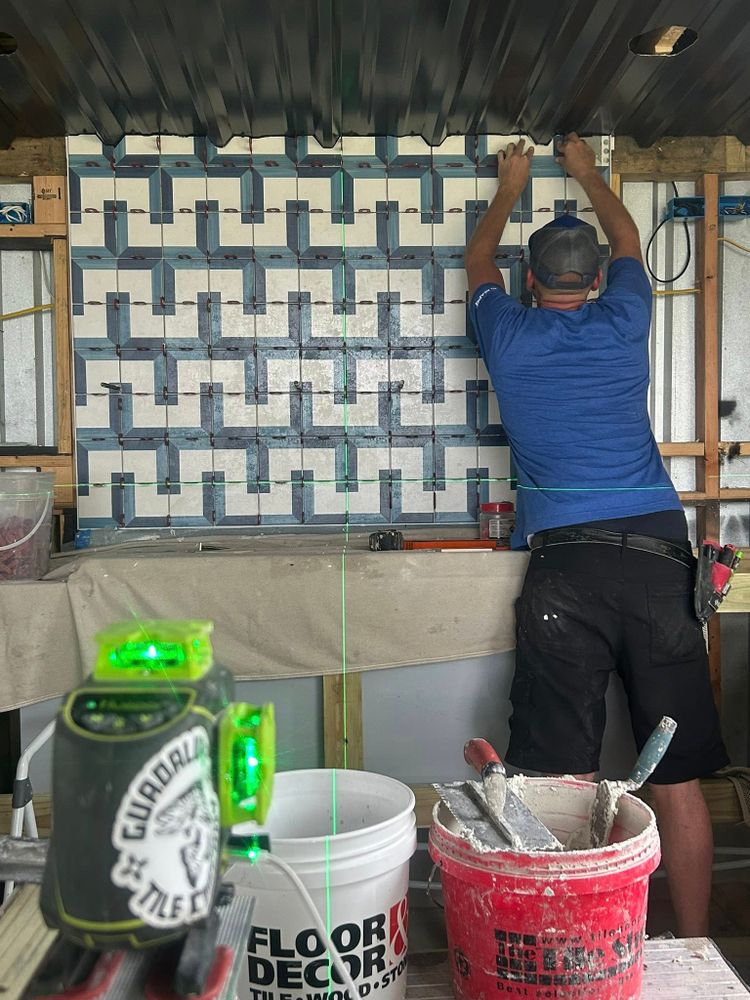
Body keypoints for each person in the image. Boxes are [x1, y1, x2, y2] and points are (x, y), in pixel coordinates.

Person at [465, 132, 729, 937]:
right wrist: (585, 170)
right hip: (657, 561)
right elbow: (627, 239)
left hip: (568, 573)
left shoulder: (508, 335)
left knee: (562, 780)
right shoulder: (624, 319)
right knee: (676, 781)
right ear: (597, 283)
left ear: (531, 282)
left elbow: (476, 263)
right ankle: (695, 950)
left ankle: (571, 947)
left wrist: (508, 186)